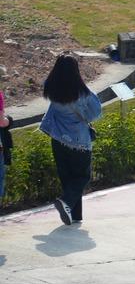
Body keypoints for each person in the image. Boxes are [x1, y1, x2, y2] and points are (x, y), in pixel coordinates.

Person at [39, 55, 102, 227]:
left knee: (67, 178)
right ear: (76, 72)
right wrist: (84, 116)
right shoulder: (83, 93)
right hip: (79, 141)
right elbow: (95, 113)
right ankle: (66, 202)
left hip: (58, 139)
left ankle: (74, 215)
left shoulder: (50, 88)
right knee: (82, 176)